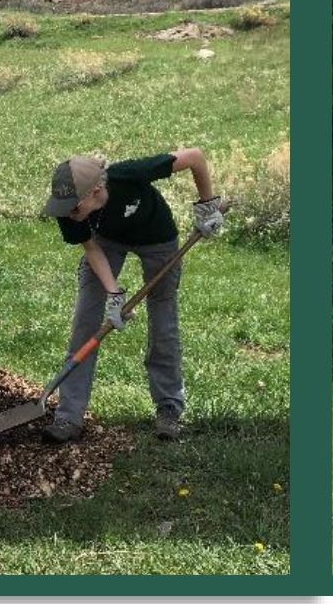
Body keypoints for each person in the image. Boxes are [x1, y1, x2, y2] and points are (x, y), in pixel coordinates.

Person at [37, 147, 224, 443]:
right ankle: (68, 417)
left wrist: (207, 205)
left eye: (74, 207)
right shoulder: (69, 210)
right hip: (106, 243)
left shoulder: (129, 174)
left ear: (96, 190)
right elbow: (92, 248)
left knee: (163, 320)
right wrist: (114, 294)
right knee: (86, 321)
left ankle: (169, 409)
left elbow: (196, 157)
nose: (69, 213)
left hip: (157, 238)